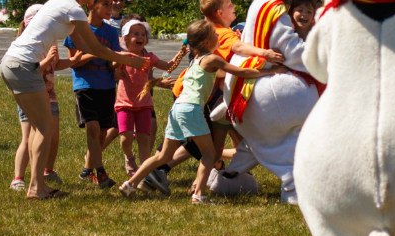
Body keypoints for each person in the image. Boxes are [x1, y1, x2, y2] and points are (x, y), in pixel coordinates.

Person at [0, 0, 146, 201]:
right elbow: (95, 47)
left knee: (39, 127)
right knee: (45, 128)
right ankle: (36, 188)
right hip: (23, 66)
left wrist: (117, 56)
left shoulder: (61, 2)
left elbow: (86, 46)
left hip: (13, 64)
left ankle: (37, 185)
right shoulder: (73, 9)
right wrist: (123, 57)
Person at [120, 20, 279, 203]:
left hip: (177, 108)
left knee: (163, 155)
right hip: (192, 109)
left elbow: (220, 75)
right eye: (214, 35)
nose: (218, 37)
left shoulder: (197, 61)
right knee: (210, 154)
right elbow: (241, 72)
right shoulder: (212, 59)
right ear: (206, 42)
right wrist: (270, 71)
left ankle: (129, 184)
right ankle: (198, 195)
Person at [146, 0, 284, 194]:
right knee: (201, 141)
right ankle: (160, 171)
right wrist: (265, 53)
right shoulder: (223, 33)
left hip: (189, 89)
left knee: (195, 139)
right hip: (196, 94)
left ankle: (215, 170)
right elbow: (238, 48)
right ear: (219, 12)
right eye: (230, 5)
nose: (234, 7)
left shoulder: (214, 29)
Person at [65, 0, 123, 189]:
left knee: (102, 132)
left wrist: (118, 65)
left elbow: (113, 61)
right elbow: (74, 62)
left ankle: (88, 168)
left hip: (106, 86)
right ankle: (101, 173)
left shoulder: (110, 32)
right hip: (85, 86)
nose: (111, 7)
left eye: (112, 3)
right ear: (91, 5)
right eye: (105, 4)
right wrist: (97, 52)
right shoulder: (78, 30)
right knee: (92, 127)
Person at [11, 4, 70, 191]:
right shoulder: (26, 47)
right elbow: (34, 70)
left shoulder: (50, 42)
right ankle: (18, 177)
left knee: (52, 136)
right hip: (31, 94)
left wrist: (77, 61)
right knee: (28, 137)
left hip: (49, 94)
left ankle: (47, 170)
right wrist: (46, 60)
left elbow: (56, 64)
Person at [114, 18, 184, 174]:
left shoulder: (149, 57)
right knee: (125, 139)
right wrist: (115, 70)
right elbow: (113, 69)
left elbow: (168, 66)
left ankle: (143, 173)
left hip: (144, 104)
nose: (140, 37)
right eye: (136, 34)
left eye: (143, 34)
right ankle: (129, 157)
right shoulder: (123, 57)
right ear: (126, 39)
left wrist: (180, 53)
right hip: (124, 103)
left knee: (143, 140)